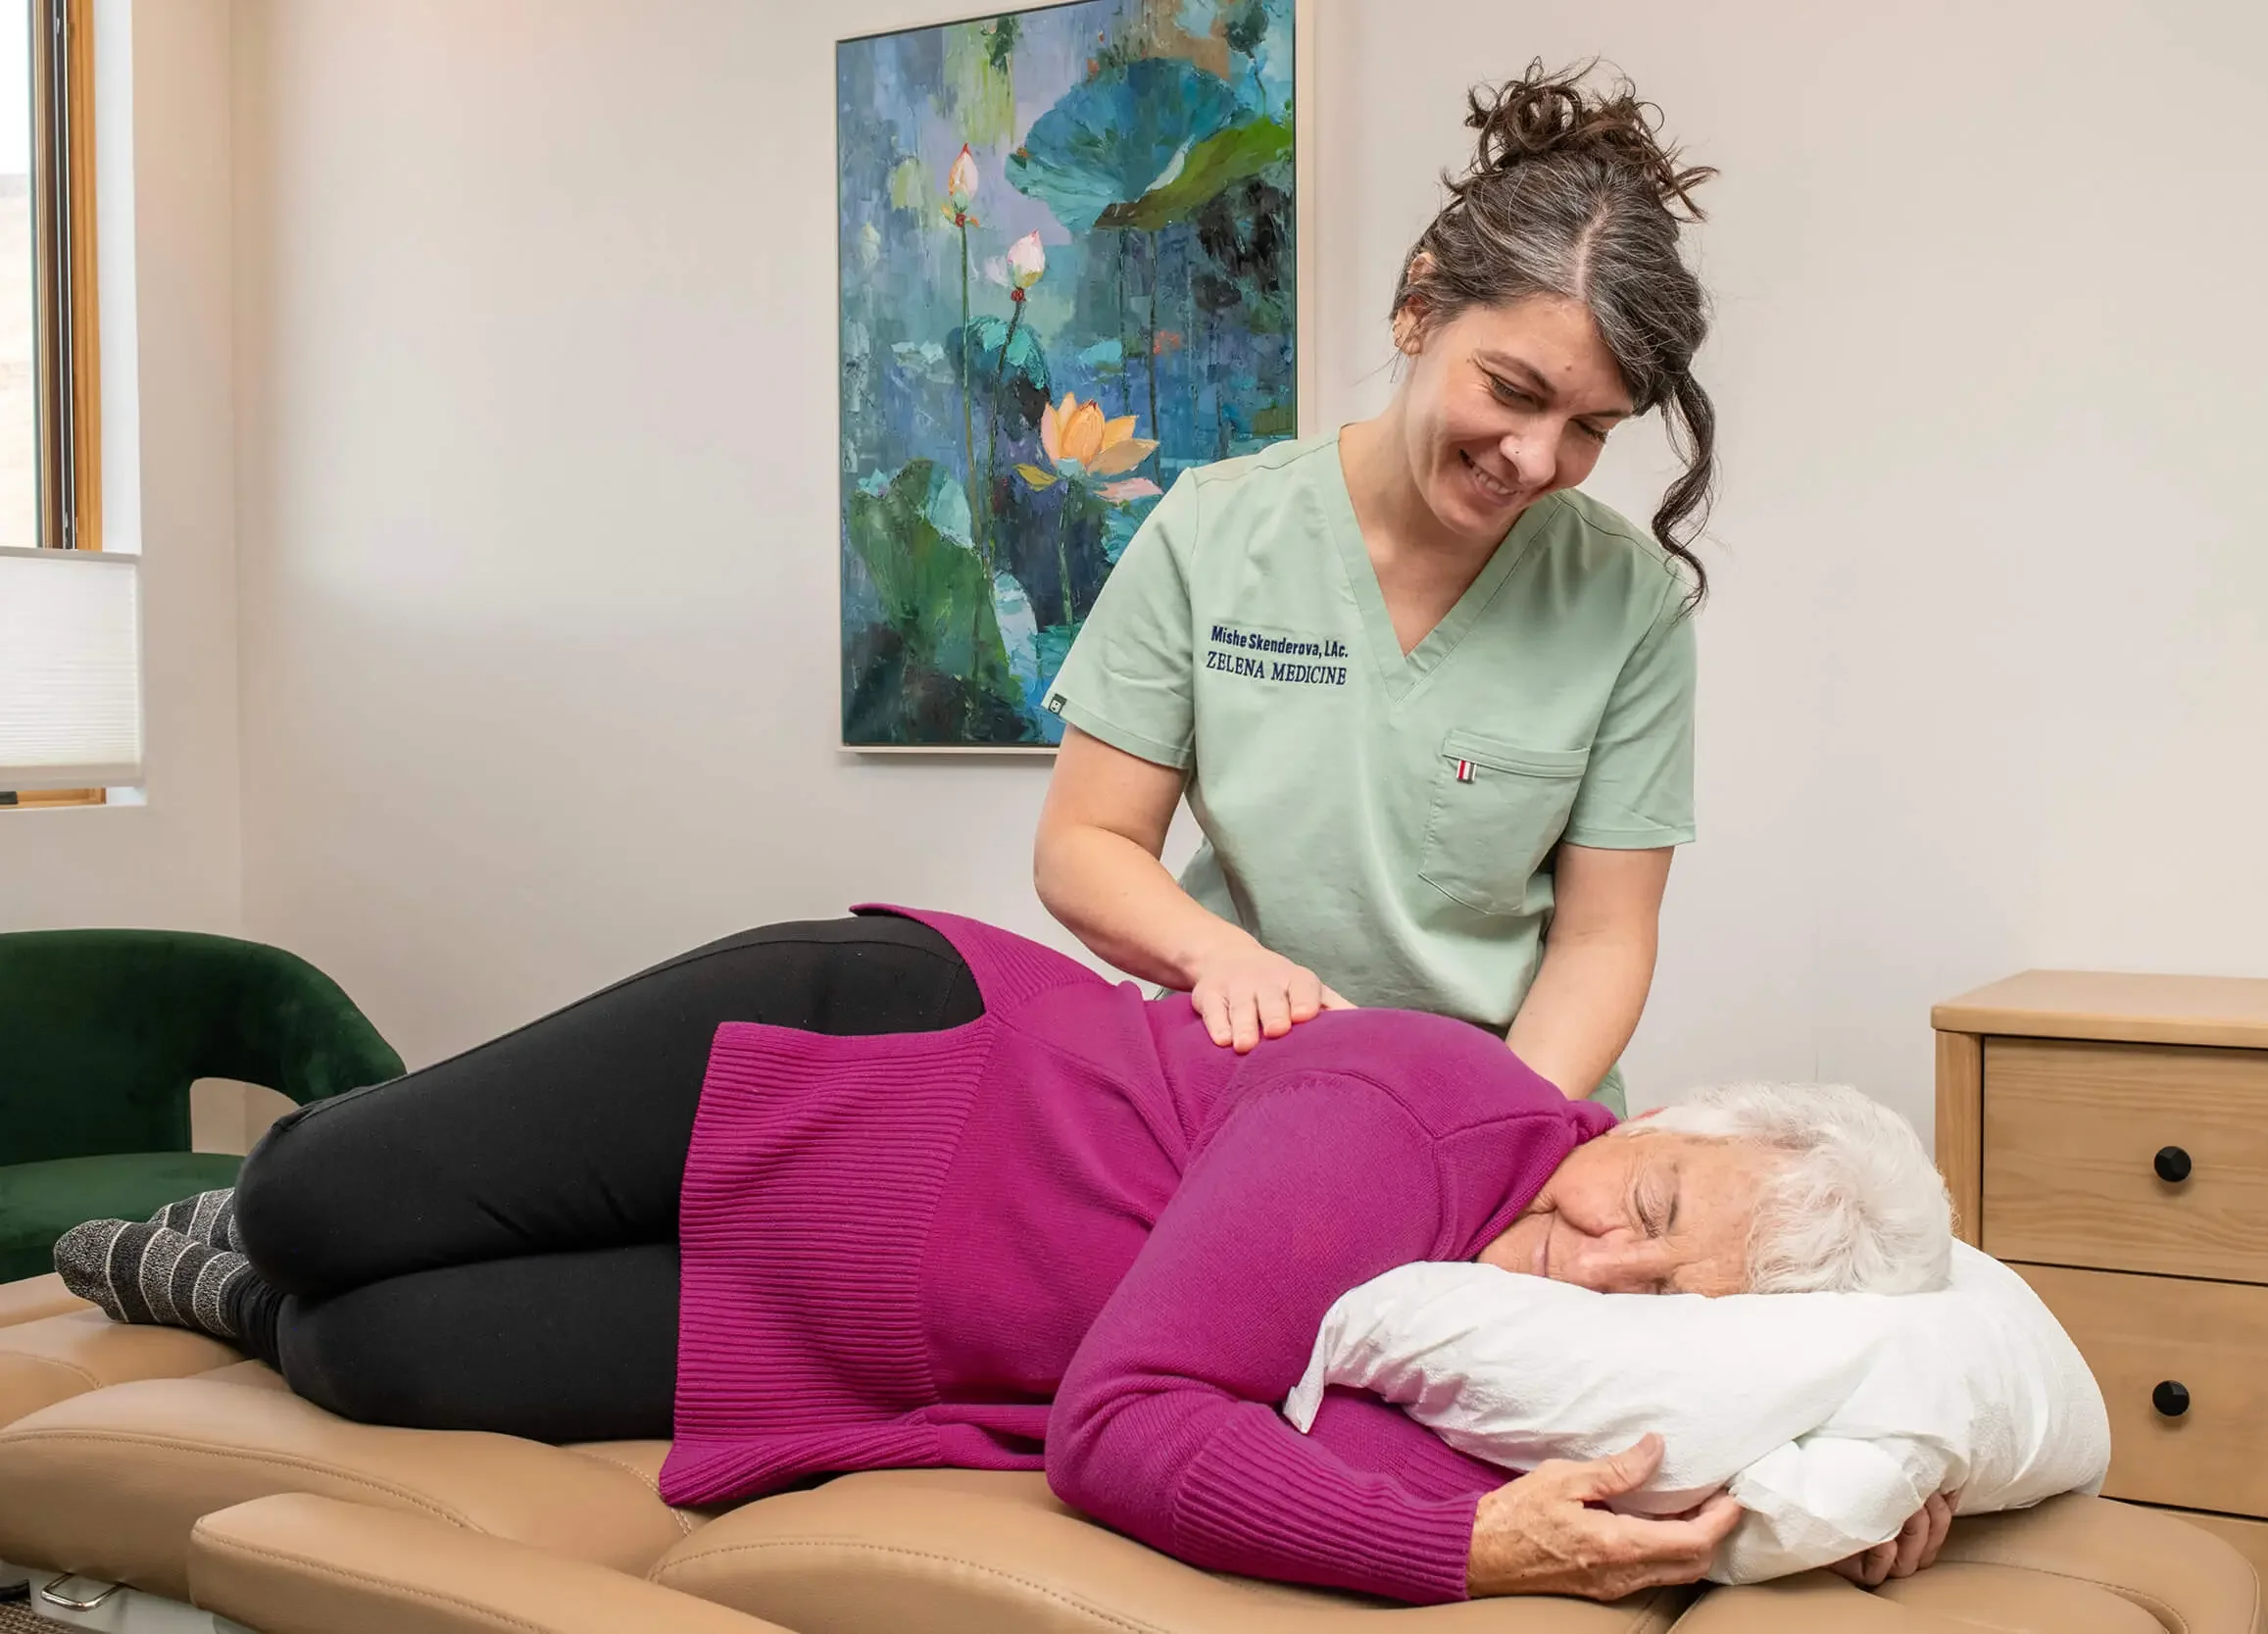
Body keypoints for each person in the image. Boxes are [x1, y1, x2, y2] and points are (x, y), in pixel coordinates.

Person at [55, 909, 1955, 1605]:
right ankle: (223, 1223)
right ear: (1658, 1113)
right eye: (1649, 1204)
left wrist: (1860, 1475)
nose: (1597, 1266)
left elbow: (1744, 1425)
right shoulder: (1422, 1112)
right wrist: (1459, 1546)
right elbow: (1124, 1421)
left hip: (845, 1322)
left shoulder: (1528, 1350)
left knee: (370, 1350)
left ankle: (221, 1277)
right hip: (853, 1064)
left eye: (1662, 1301)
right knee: (316, 1201)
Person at [1036, 61, 1716, 1112]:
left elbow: (1603, 937)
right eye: (1512, 391)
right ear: (1417, 307)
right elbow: (1086, 845)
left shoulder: (1626, 601)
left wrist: (1491, 1133)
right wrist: (1224, 959)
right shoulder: (1217, 530)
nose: (1535, 458)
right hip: (1241, 1087)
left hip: (1502, 1107)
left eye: (1588, 427)